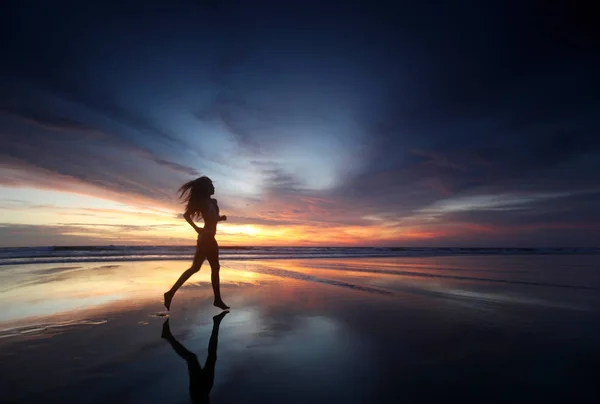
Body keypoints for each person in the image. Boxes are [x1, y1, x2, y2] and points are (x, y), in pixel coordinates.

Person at [164, 176, 229, 311]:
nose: (213, 187)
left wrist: (220, 218)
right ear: (205, 188)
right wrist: (196, 228)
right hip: (206, 238)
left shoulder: (213, 202)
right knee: (212, 267)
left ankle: (170, 293)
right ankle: (217, 300)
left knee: (198, 268)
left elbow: (213, 218)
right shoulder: (201, 202)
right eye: (211, 185)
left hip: (208, 238)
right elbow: (186, 215)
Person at [161, 311, 228, 404]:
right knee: (210, 357)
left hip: (199, 394)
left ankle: (168, 336)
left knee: (192, 358)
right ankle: (216, 322)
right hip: (204, 392)